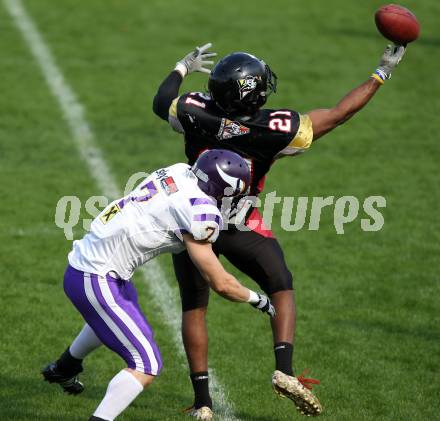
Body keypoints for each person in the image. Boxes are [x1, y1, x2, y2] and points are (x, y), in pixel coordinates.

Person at [152, 42, 406, 418]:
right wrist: (380, 73)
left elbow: (162, 102)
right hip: (238, 220)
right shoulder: (275, 129)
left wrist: (181, 67)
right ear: (253, 95)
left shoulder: (195, 111)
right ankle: (284, 370)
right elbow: (339, 114)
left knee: (194, 306)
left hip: (193, 218)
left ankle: (203, 403)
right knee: (281, 285)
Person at [41, 150, 276, 421]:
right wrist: (259, 299)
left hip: (91, 265)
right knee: (146, 364)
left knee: (122, 309)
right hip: (95, 278)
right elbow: (220, 282)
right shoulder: (200, 210)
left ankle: (64, 368)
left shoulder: (178, 171)